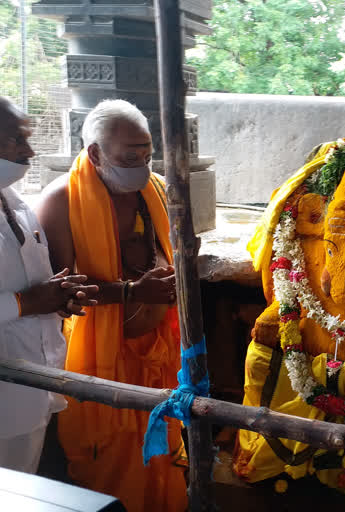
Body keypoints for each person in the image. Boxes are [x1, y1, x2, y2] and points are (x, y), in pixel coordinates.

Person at [35, 99, 186, 512]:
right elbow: (64, 293)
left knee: (162, 449)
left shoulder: (150, 190)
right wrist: (135, 293)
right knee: (111, 461)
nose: (141, 162)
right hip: (98, 359)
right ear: (96, 153)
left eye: (147, 152)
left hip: (157, 351)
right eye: (129, 155)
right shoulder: (61, 200)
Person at [0, 97, 96, 474]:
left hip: (35, 379)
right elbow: (24, 297)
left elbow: (30, 283)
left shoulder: (16, 203)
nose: (29, 151)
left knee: (22, 488)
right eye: (15, 140)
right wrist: (25, 303)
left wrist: (57, 295)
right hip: (6, 385)